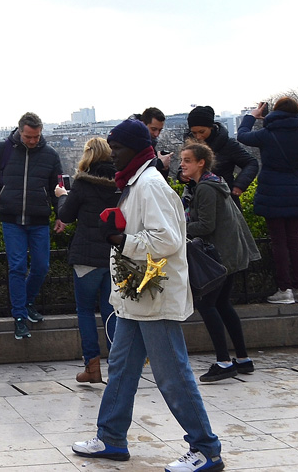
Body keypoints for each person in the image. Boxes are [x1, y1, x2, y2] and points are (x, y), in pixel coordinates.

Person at [71, 119, 223, 472]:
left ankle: (206, 449)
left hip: (154, 299)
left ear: (137, 150)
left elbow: (168, 240)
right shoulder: (136, 183)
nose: (113, 156)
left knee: (173, 376)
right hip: (136, 296)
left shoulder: (150, 185)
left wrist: (123, 240)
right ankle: (111, 437)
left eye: (119, 149)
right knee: (122, 368)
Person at [0, 111, 63, 340]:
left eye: (36, 137)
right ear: (20, 131)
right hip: (12, 218)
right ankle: (19, 316)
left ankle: (24, 304)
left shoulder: (50, 155)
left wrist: (60, 214)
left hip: (38, 219)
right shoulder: (2, 149)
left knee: (41, 266)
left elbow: (58, 187)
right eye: (28, 137)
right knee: (16, 266)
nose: (33, 141)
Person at [181, 141, 260, 381]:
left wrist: (179, 225)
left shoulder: (205, 188)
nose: (182, 165)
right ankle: (243, 359)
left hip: (219, 258)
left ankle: (224, 362)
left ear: (201, 163)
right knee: (223, 305)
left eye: (187, 161)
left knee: (207, 305)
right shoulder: (215, 182)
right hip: (229, 254)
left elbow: (206, 225)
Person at [56, 137, 120, 384]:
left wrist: (62, 194)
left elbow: (66, 215)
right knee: (111, 311)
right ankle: (117, 366)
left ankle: (92, 367)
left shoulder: (82, 183)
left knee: (84, 311)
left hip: (86, 258)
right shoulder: (120, 183)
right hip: (113, 254)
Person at [237, 97, 298, 303]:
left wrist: (252, 116)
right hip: (295, 190)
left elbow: (242, 136)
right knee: (295, 241)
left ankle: (284, 288)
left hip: (272, 191)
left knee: (278, 241)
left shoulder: (267, 135)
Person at [186, 105, 259, 207]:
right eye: (194, 133)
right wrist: (182, 175)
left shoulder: (228, 144)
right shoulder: (190, 145)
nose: (198, 137)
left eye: (202, 132)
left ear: (211, 127)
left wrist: (239, 185)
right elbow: (184, 166)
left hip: (224, 200)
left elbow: (251, 163)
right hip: (198, 200)